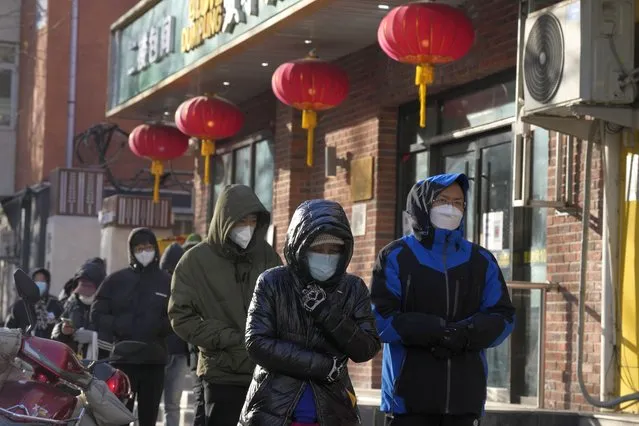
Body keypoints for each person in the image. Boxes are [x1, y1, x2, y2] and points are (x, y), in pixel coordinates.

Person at [370, 173, 516, 426]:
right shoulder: (396, 256)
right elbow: (379, 319)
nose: (451, 208)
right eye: (442, 200)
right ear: (423, 204)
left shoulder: (481, 260)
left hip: (465, 399)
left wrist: (465, 332)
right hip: (408, 399)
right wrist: (435, 330)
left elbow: (503, 317)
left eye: (458, 202)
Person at [240, 199, 381, 426]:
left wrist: (326, 313)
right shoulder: (273, 282)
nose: (326, 255)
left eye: (334, 249)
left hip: (333, 408)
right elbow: (256, 342)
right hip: (274, 408)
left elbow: (366, 348)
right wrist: (322, 366)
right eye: (317, 248)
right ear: (300, 246)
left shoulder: (353, 288)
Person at [169, 184, 282, 426]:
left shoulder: (266, 255)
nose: (248, 228)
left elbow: (283, 303)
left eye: (253, 221)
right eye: (242, 221)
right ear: (225, 219)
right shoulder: (195, 261)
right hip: (221, 374)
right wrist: (226, 338)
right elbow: (181, 316)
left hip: (264, 372)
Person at [91, 227, 172, 426]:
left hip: (154, 361)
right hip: (122, 362)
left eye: (149, 247)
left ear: (155, 249)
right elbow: (97, 312)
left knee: (148, 417)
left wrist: (160, 327)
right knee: (118, 416)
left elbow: (177, 313)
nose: (145, 251)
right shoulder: (116, 281)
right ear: (132, 250)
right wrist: (119, 326)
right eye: (139, 247)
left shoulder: (167, 281)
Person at [159, 242, 190, 426]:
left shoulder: (187, 286)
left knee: (171, 404)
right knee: (170, 404)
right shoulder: (183, 285)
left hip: (174, 352)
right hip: (164, 352)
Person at [51, 259, 107, 358]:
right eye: (82, 287)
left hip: (101, 362)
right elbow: (54, 334)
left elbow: (117, 340)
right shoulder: (73, 304)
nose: (84, 293)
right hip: (74, 362)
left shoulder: (108, 306)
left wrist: (93, 337)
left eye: (88, 288)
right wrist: (63, 331)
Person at [179, 233, 207, 426]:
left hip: (215, 354)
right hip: (197, 354)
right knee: (200, 402)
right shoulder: (183, 278)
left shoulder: (210, 277)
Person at [5, 268, 62, 338]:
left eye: (42, 281)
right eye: (36, 280)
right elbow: (9, 331)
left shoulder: (55, 304)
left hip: (49, 346)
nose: (39, 283)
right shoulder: (20, 305)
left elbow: (61, 329)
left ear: (47, 283)